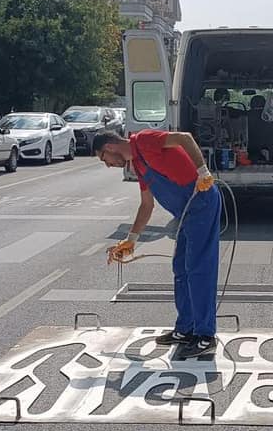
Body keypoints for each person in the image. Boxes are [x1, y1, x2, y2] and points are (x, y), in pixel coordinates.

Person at [94, 129, 220, 355]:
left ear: (110, 147)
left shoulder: (144, 140)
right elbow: (146, 205)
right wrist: (131, 240)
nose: (108, 165)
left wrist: (202, 171)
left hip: (201, 203)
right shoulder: (139, 166)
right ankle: (186, 329)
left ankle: (205, 335)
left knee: (198, 269)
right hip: (185, 213)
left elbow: (185, 138)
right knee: (181, 268)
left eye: (104, 159)